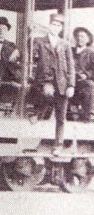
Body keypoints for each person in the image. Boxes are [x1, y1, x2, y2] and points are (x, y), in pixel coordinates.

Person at [31, 13, 75, 155]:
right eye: (53, 24)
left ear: (61, 28)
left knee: (61, 117)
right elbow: (31, 52)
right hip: (45, 81)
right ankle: (37, 113)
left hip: (62, 83)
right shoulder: (39, 41)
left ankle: (58, 145)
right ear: (49, 26)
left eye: (58, 25)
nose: (55, 27)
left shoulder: (65, 44)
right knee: (48, 93)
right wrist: (30, 36)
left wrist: (71, 85)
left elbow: (70, 66)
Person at [0, 16, 21, 117]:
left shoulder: (11, 45)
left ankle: (16, 109)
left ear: (7, 31)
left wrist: (18, 50)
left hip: (6, 70)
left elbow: (22, 52)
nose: (1, 31)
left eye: (4, 29)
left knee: (23, 79)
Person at [71, 27, 94, 121]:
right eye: (78, 36)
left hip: (83, 81)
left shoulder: (91, 52)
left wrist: (87, 75)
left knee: (89, 87)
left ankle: (87, 115)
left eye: (83, 36)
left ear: (88, 39)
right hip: (70, 79)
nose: (80, 38)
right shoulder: (71, 50)